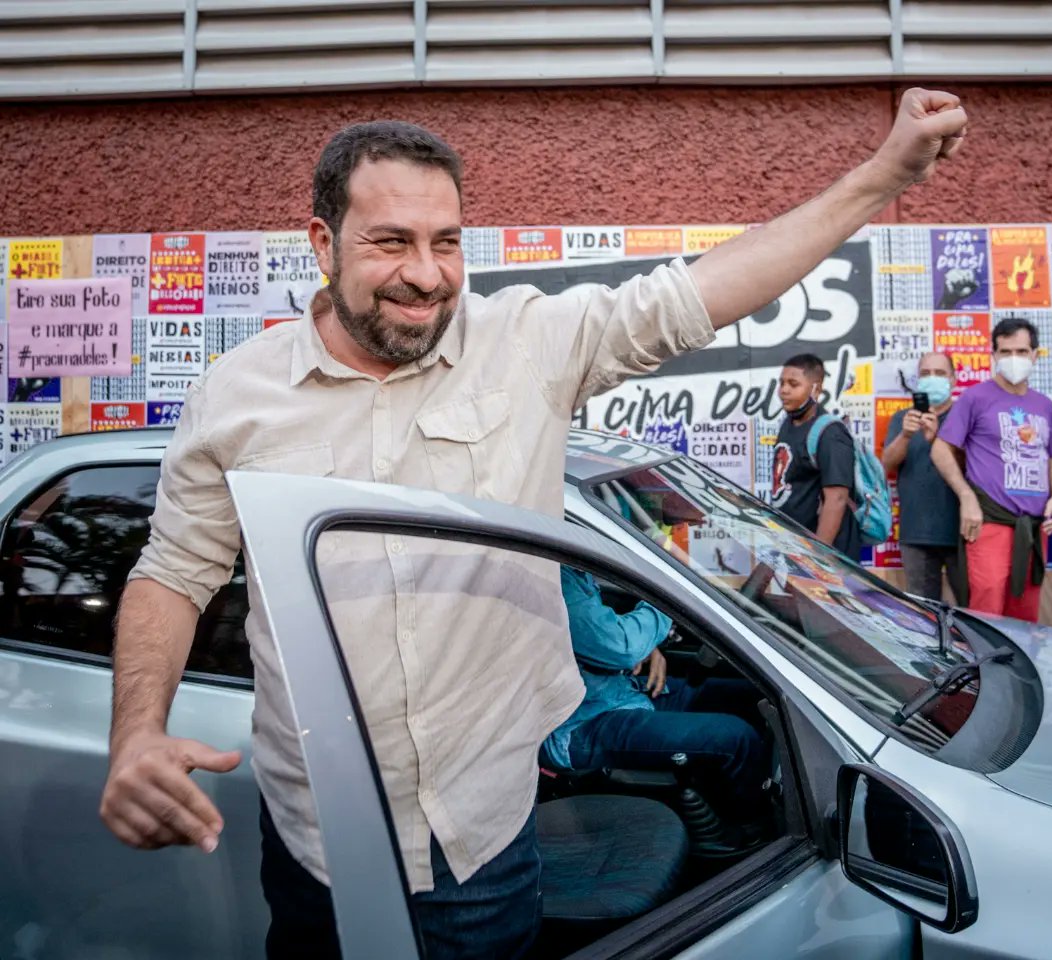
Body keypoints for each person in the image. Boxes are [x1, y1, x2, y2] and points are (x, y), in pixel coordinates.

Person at [98, 90, 972, 960]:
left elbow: (703, 291)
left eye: (446, 242)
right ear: (323, 243)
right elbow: (174, 572)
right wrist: (137, 730)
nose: (427, 272)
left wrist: (882, 177)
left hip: (485, 849)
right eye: (391, 241)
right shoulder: (235, 396)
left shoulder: (526, 345)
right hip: (310, 847)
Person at [542, 568, 765, 843]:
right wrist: (668, 593)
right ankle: (752, 833)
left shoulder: (570, 570)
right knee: (736, 738)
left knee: (752, 699)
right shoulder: (553, 576)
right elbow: (621, 647)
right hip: (581, 723)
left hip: (618, 690)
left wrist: (647, 644)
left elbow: (601, 630)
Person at [930, 317, 1052, 621]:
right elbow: (940, 449)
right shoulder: (976, 398)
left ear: (1035, 355)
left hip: (1033, 527)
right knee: (986, 609)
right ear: (993, 355)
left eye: (1020, 351)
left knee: (1026, 612)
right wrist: (966, 496)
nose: (1013, 359)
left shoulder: (1044, 405)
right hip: (990, 521)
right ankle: (986, 670)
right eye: (1005, 352)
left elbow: (1050, 456)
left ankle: (1019, 670)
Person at [880, 352, 961, 600]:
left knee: (972, 609)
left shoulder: (964, 417)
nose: (932, 379)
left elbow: (974, 469)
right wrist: (905, 435)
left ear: (954, 380)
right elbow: (887, 465)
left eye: (940, 373)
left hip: (963, 532)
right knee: (923, 613)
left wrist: (937, 439)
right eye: (926, 374)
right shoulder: (903, 418)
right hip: (917, 531)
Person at [772, 353, 864, 561]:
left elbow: (837, 498)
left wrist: (818, 558)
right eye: (782, 383)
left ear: (816, 389)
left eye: (793, 384)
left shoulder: (830, 433)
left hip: (826, 557)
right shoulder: (788, 424)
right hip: (795, 549)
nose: (784, 390)